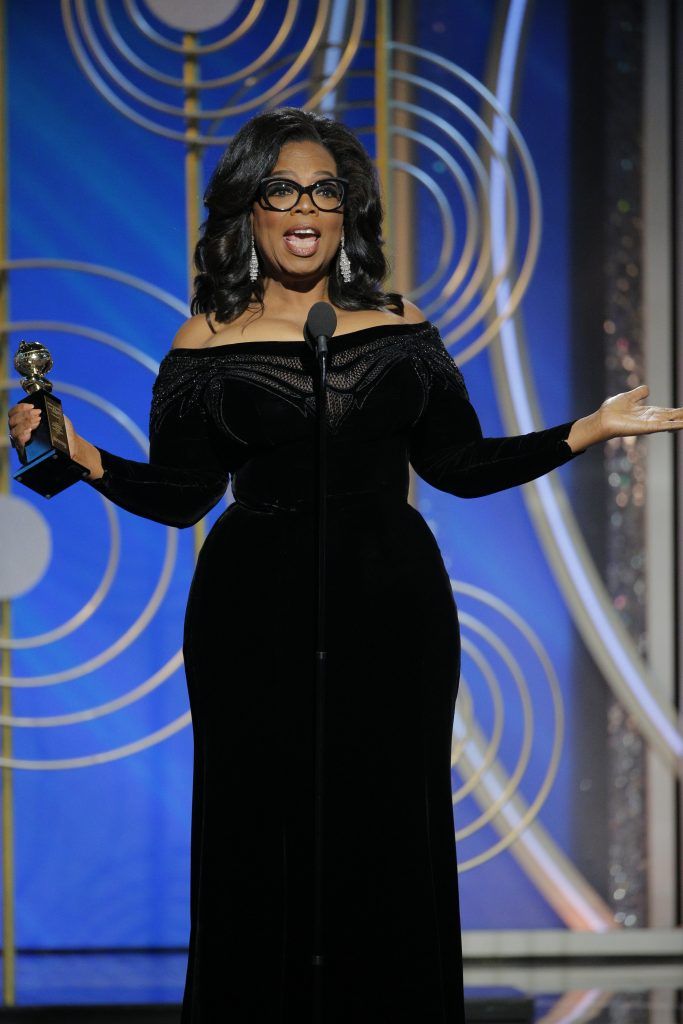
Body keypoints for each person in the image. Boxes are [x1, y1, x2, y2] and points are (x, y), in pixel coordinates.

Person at [8, 107, 683, 1023]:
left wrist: (584, 430)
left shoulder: (401, 325)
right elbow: (180, 495)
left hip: (390, 607)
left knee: (389, 824)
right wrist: (78, 455)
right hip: (253, 610)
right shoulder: (203, 338)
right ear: (248, 207)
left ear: (346, 211)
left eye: (325, 191)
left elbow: (458, 466)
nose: (305, 208)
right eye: (282, 188)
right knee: (258, 828)